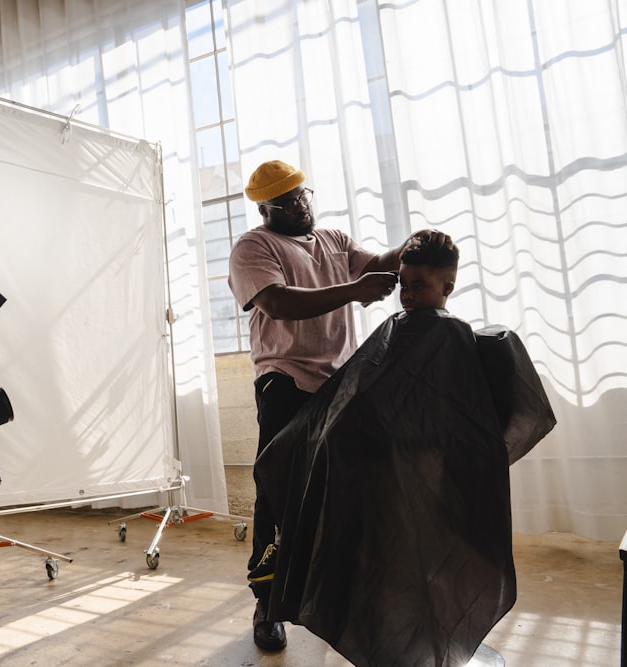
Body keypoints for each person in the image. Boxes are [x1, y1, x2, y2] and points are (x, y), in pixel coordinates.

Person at [253, 236, 555, 666]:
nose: (409, 296)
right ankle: (398, 641)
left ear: (447, 287)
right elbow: (361, 400)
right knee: (393, 561)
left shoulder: (445, 335)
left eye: (420, 287)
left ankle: (426, 643)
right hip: (392, 466)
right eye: (404, 287)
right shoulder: (402, 329)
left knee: (422, 559)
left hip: (426, 468)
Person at [227, 159, 452, 651]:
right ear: (265, 210)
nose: (298, 206)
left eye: (302, 196)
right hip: (284, 381)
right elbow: (279, 303)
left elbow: (379, 265)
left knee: (350, 485)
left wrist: (411, 248)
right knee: (278, 488)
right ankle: (268, 602)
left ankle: (349, 589)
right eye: (285, 203)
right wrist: (353, 291)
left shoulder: (333, 240)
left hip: (341, 383)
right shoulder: (254, 247)